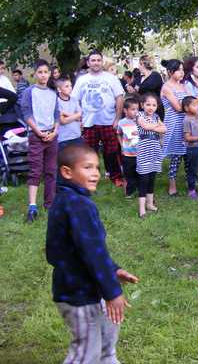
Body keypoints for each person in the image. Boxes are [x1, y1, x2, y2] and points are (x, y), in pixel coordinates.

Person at [46, 144, 139, 363]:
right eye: (87, 167)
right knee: (87, 353)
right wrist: (112, 292)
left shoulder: (69, 200)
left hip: (87, 288)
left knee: (107, 342)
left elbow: (88, 248)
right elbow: (91, 253)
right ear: (67, 172)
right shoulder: (77, 205)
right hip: (79, 294)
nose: (95, 173)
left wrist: (114, 270)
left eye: (97, 167)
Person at [71, 49, 125, 187]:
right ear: (88, 63)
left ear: (102, 62)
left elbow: (119, 97)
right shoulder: (82, 80)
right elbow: (74, 101)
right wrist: (79, 120)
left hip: (108, 121)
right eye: (93, 60)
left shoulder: (111, 78)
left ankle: (116, 176)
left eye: (98, 60)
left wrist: (117, 118)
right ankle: (89, 178)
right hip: (89, 123)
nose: (96, 63)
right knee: (89, 154)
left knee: (112, 151)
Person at [19, 59, 60, 222]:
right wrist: (38, 132)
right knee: (35, 170)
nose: (43, 75)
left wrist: (55, 130)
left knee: (51, 170)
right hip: (37, 136)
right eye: (40, 72)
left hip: (52, 135)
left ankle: (50, 204)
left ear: (50, 74)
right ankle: (32, 206)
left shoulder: (52, 92)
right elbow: (26, 114)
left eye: (46, 72)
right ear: (35, 73)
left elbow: (56, 114)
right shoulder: (29, 92)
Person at [161, 59, 189, 197]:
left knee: (188, 152)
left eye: (183, 69)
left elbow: (190, 102)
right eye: (178, 70)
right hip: (174, 124)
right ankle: (172, 185)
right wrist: (192, 104)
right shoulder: (167, 87)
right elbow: (178, 107)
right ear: (170, 72)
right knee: (176, 155)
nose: (182, 72)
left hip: (186, 121)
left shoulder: (183, 86)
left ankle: (191, 182)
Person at [136, 93, 166, 218]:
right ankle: (141, 208)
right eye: (148, 104)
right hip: (144, 150)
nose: (150, 107)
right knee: (144, 179)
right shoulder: (139, 115)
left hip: (155, 149)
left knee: (152, 178)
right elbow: (144, 126)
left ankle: (149, 204)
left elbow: (164, 129)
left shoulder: (156, 116)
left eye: (154, 105)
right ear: (142, 105)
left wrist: (156, 127)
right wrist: (157, 126)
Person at [116, 97, 140, 198]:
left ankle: (140, 190)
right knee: (128, 173)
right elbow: (119, 134)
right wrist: (122, 145)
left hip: (140, 153)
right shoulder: (122, 122)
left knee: (139, 173)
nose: (136, 112)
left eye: (137, 109)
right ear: (125, 110)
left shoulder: (140, 121)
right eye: (133, 109)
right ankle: (129, 192)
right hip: (128, 154)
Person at [131, 55, 164, 120]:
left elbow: (150, 87)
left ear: (142, 64)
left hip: (154, 109)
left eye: (139, 64)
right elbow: (131, 86)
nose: (138, 67)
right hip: (142, 109)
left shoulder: (155, 75)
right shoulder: (139, 78)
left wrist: (137, 89)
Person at [56, 78, 83, 149]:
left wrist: (65, 113)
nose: (70, 88)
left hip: (77, 136)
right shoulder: (57, 102)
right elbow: (63, 121)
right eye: (66, 86)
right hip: (63, 139)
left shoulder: (74, 100)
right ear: (59, 89)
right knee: (64, 160)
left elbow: (80, 116)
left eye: (71, 86)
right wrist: (77, 115)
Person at [184, 56, 198, 125]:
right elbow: (193, 102)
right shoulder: (188, 83)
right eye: (197, 67)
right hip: (197, 114)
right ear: (191, 68)